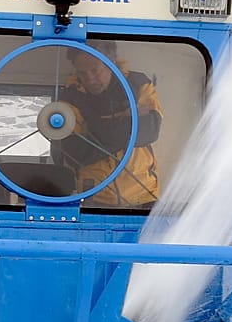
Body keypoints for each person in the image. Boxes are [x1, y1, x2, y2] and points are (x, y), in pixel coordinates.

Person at [54, 42, 162, 207]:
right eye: (82, 73)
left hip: (144, 197)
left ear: (111, 64)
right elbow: (76, 153)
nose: (90, 79)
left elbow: (150, 130)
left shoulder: (139, 84)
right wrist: (127, 121)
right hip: (94, 199)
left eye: (95, 71)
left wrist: (94, 129)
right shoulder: (69, 98)